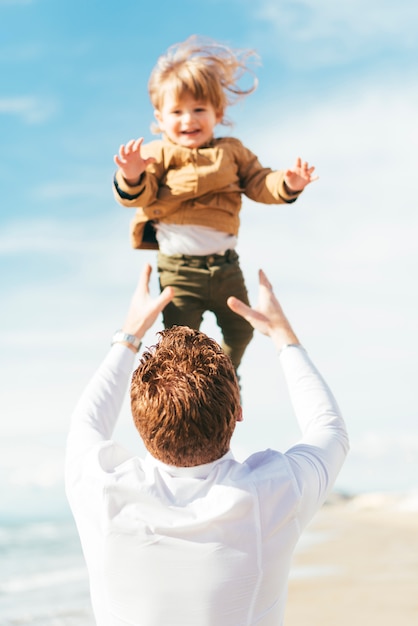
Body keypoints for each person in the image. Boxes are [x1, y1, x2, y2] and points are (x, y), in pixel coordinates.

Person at [65, 263, 349, 626]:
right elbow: (330, 428)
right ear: (239, 412)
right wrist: (282, 335)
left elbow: (87, 421)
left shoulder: (100, 491)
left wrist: (130, 334)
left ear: (139, 424)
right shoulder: (270, 494)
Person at [112, 35, 318, 372]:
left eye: (198, 110)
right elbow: (142, 193)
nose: (188, 119)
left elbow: (259, 181)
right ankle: (186, 392)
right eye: (176, 111)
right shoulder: (157, 153)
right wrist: (133, 175)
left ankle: (225, 378)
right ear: (160, 118)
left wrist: (288, 183)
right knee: (179, 341)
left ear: (217, 112)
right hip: (179, 271)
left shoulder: (232, 152)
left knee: (241, 329)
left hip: (226, 267)